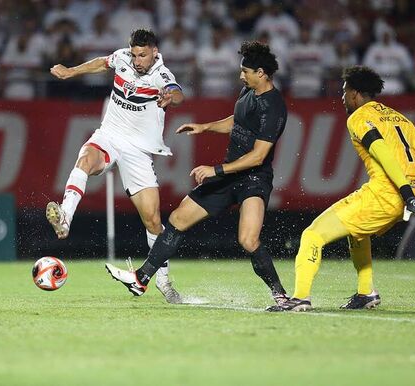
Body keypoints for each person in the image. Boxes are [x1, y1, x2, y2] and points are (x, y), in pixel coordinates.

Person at [105, 41, 292, 312]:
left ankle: (282, 297)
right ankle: (141, 279)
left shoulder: (274, 106)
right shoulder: (248, 91)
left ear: (261, 73)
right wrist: (205, 127)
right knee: (178, 218)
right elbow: (237, 120)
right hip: (229, 174)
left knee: (248, 240)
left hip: (253, 179)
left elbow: (258, 156)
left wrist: (215, 170)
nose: (241, 75)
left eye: (245, 71)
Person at [276, 65, 415, 312]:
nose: (342, 97)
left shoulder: (358, 117)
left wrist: (407, 195)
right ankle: (366, 293)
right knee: (357, 234)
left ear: (355, 94)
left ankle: (300, 298)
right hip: (406, 194)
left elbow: (382, 153)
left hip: (388, 193)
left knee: (312, 235)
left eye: (344, 91)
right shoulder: (399, 118)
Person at [46, 29, 185, 303]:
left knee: (153, 221)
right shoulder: (122, 57)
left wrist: (170, 97)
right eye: (134, 54)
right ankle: (65, 217)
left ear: (155, 52)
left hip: (139, 151)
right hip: (109, 136)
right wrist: (71, 71)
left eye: (142, 55)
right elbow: (102, 63)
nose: (137, 60)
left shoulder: (161, 74)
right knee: (85, 158)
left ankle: (163, 281)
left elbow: (177, 92)